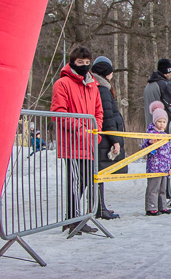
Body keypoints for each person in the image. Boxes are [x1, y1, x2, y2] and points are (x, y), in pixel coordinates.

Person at [51, 46, 103, 235]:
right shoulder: (62, 83)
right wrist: (80, 129)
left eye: (87, 63)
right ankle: (73, 219)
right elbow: (58, 113)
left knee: (87, 181)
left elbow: (99, 111)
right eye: (80, 62)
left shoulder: (92, 84)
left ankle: (76, 217)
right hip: (72, 143)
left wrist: (95, 130)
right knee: (75, 182)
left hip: (89, 142)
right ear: (73, 62)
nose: (84, 65)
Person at [91, 56, 124, 220]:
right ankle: (98, 208)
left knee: (99, 174)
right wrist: (115, 139)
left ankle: (100, 206)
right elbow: (108, 116)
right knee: (99, 174)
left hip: (102, 138)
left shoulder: (99, 87)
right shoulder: (102, 89)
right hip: (103, 138)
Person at [143, 102, 171, 215]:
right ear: (155, 122)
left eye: (164, 122)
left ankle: (162, 206)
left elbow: (169, 152)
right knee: (153, 188)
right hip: (154, 166)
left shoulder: (165, 135)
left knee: (162, 188)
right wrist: (150, 142)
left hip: (164, 167)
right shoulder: (151, 133)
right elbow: (144, 145)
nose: (161, 124)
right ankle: (151, 207)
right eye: (159, 122)